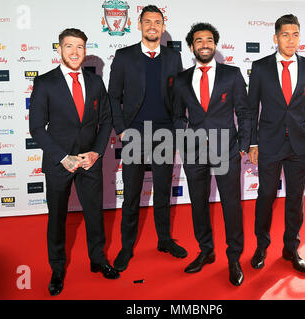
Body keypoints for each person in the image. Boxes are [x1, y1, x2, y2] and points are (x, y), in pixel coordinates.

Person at [29, 28, 119, 296]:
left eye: (80, 47)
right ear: (59, 50)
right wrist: (62, 157)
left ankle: (98, 259)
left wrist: (96, 153)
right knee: (57, 217)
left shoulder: (95, 82)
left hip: (89, 161)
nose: (75, 52)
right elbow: (37, 127)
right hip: (59, 163)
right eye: (69, 46)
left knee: (94, 214)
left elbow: (106, 121)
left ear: (85, 51)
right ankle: (57, 268)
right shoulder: (45, 83)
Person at [248, 14, 305, 273]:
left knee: (295, 199)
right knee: (265, 196)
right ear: (275, 38)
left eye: (295, 34)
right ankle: (261, 245)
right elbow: (251, 110)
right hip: (269, 143)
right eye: (285, 34)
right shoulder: (260, 67)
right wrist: (252, 143)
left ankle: (291, 248)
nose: (291, 40)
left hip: (299, 145)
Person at [171, 23, 252, 286]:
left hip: (227, 149)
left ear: (215, 44)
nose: (204, 44)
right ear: (192, 46)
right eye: (198, 40)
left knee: (231, 205)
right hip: (194, 152)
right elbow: (177, 115)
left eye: (209, 40)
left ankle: (234, 257)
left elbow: (244, 113)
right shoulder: (182, 79)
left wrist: (243, 145)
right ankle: (205, 250)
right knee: (198, 204)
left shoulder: (232, 74)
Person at [108, 5, 187, 272]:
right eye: (147, 21)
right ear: (139, 25)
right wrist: (121, 129)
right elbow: (113, 97)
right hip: (135, 135)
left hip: (165, 135)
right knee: (131, 195)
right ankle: (126, 247)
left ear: (163, 27)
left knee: (163, 192)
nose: (152, 26)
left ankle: (164, 240)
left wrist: (178, 130)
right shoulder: (124, 56)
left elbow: (179, 97)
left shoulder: (173, 58)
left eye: (157, 22)